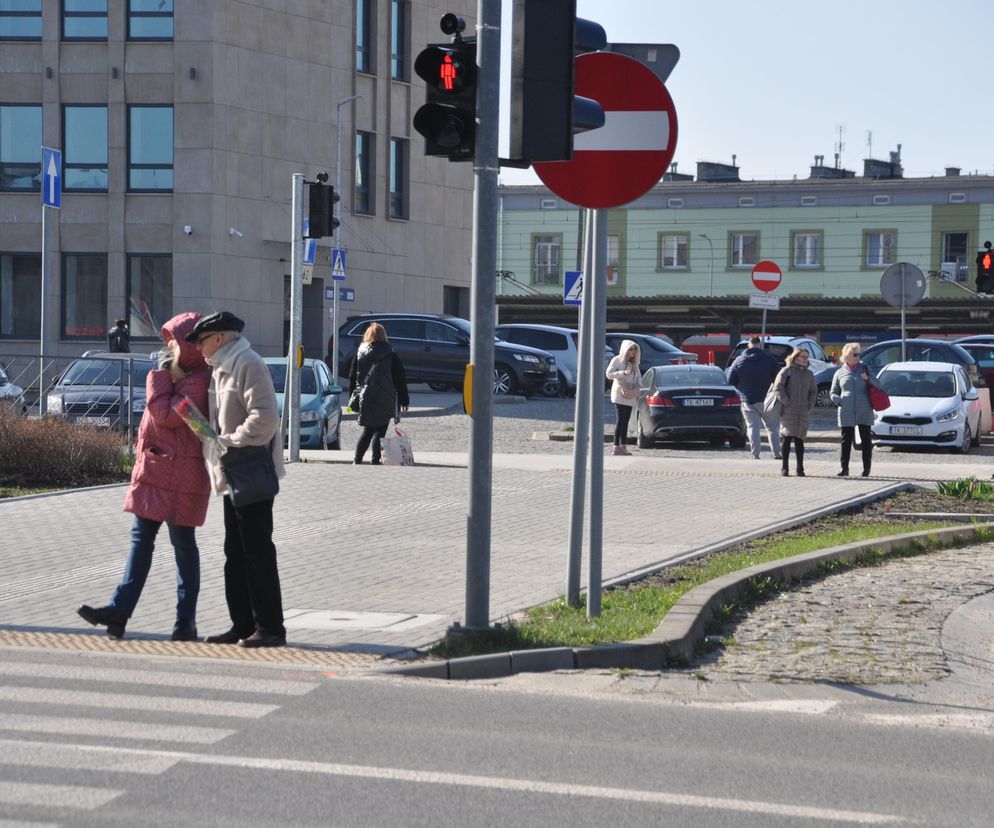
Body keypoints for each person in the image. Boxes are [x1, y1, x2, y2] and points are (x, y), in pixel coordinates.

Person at [77, 312, 212, 640]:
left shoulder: (196, 380)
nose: (167, 346)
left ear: (188, 346)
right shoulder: (176, 377)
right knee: (141, 542)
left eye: (174, 340)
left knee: (183, 546)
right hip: (156, 473)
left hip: (180, 477)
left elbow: (165, 414)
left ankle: (185, 622)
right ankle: (119, 611)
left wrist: (161, 377)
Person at [184, 310, 288, 648]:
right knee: (236, 552)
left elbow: (266, 418)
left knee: (257, 551)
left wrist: (231, 440)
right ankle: (242, 625)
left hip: (250, 468)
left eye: (202, 341)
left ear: (220, 337)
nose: (200, 348)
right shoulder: (220, 368)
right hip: (232, 472)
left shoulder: (247, 362)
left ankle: (270, 628)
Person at [349, 322, 410, 464]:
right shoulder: (391, 355)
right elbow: (400, 379)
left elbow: (353, 376)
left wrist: (352, 396)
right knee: (380, 431)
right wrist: (404, 400)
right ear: (384, 336)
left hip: (366, 397)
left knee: (367, 430)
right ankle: (375, 460)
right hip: (386, 397)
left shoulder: (359, 354)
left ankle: (357, 460)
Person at [829, 342, 882, 477]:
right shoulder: (839, 372)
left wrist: (868, 378)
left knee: (865, 440)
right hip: (846, 409)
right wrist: (838, 400)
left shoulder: (865, 369)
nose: (858, 356)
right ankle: (844, 468)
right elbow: (833, 392)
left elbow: (879, 384)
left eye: (858, 353)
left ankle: (866, 469)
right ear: (847, 356)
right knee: (846, 440)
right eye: (855, 354)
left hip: (864, 408)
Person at [727, 336, 781, 459]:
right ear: (760, 345)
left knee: (753, 428)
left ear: (748, 345)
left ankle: (755, 454)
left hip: (747, 400)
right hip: (767, 400)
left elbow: (730, 380)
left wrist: (742, 389)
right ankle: (777, 453)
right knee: (772, 427)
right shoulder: (769, 359)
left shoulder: (739, 360)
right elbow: (778, 379)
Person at [773, 347, 818, 477]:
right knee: (786, 438)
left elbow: (813, 391)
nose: (805, 359)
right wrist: (786, 401)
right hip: (788, 410)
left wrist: (809, 404)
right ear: (795, 357)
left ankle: (800, 468)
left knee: (800, 440)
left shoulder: (809, 374)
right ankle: (784, 468)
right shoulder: (787, 371)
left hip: (803, 410)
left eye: (806, 357)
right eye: (802, 357)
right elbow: (778, 388)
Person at [605, 339, 642, 456]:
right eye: (631, 349)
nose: (632, 352)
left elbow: (639, 378)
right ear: (625, 349)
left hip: (630, 395)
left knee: (626, 421)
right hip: (620, 393)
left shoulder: (634, 364)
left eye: (634, 350)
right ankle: (616, 446)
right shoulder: (616, 360)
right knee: (620, 420)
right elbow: (609, 374)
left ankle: (623, 445)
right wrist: (622, 373)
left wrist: (638, 387)